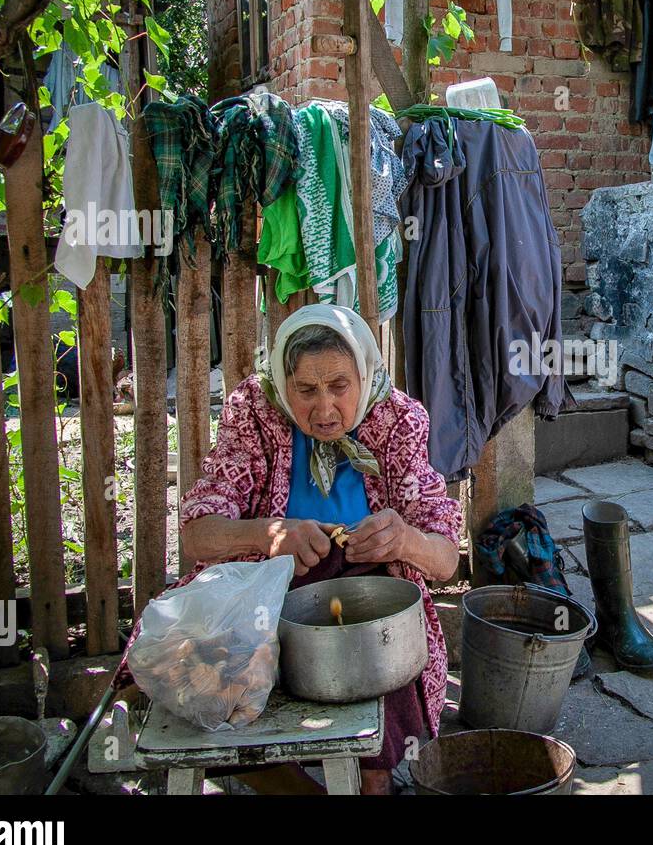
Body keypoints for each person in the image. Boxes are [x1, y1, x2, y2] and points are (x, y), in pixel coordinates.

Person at [124, 303, 461, 795]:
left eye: (339, 388)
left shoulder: (397, 421)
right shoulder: (256, 413)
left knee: (385, 663)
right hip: (267, 596)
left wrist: (405, 539)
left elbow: (447, 559)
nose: (323, 411)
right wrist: (268, 534)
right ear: (284, 383)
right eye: (305, 390)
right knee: (201, 685)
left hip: (369, 602)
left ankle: (374, 780)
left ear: (364, 374)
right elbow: (198, 532)